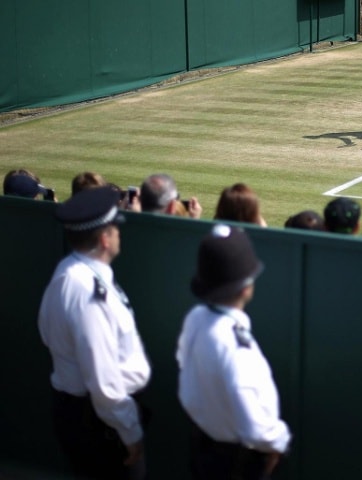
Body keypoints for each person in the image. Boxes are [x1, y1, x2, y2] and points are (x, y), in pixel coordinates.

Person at [38, 186, 151, 479]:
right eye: (115, 229)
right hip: (102, 424)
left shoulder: (67, 272)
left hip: (83, 415)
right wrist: (131, 434)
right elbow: (104, 384)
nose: (119, 234)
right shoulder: (89, 292)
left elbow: (46, 333)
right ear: (104, 239)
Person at [177, 224, 292, 479]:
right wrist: (280, 442)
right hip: (236, 463)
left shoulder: (196, 317)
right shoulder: (236, 347)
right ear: (245, 287)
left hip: (204, 448)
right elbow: (255, 429)